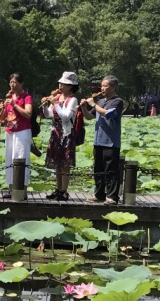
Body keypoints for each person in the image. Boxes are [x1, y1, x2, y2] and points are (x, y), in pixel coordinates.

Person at [83, 75, 124, 204]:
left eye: (106, 86)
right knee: (98, 170)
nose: (102, 88)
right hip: (98, 140)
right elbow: (89, 117)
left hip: (111, 142)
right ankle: (99, 194)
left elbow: (108, 114)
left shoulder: (117, 101)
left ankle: (112, 197)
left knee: (111, 170)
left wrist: (93, 104)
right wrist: (84, 107)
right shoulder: (100, 102)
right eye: (102, 85)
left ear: (113, 87)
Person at [42, 72, 80, 201]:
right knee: (57, 164)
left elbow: (65, 116)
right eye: (60, 83)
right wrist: (46, 105)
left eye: (63, 83)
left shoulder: (73, 100)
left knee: (65, 164)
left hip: (66, 134)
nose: (60, 85)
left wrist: (55, 103)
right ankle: (58, 190)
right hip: (55, 134)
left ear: (70, 86)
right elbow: (49, 115)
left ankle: (64, 191)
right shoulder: (57, 97)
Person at [0, 72, 33, 192]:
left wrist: (14, 104)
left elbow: (28, 114)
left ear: (21, 83)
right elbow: (2, 118)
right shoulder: (9, 97)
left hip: (22, 131)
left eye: (15, 82)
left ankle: (21, 190)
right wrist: (3, 108)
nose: (12, 85)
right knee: (9, 158)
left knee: (21, 157)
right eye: (11, 82)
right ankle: (10, 188)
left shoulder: (27, 97)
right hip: (10, 131)